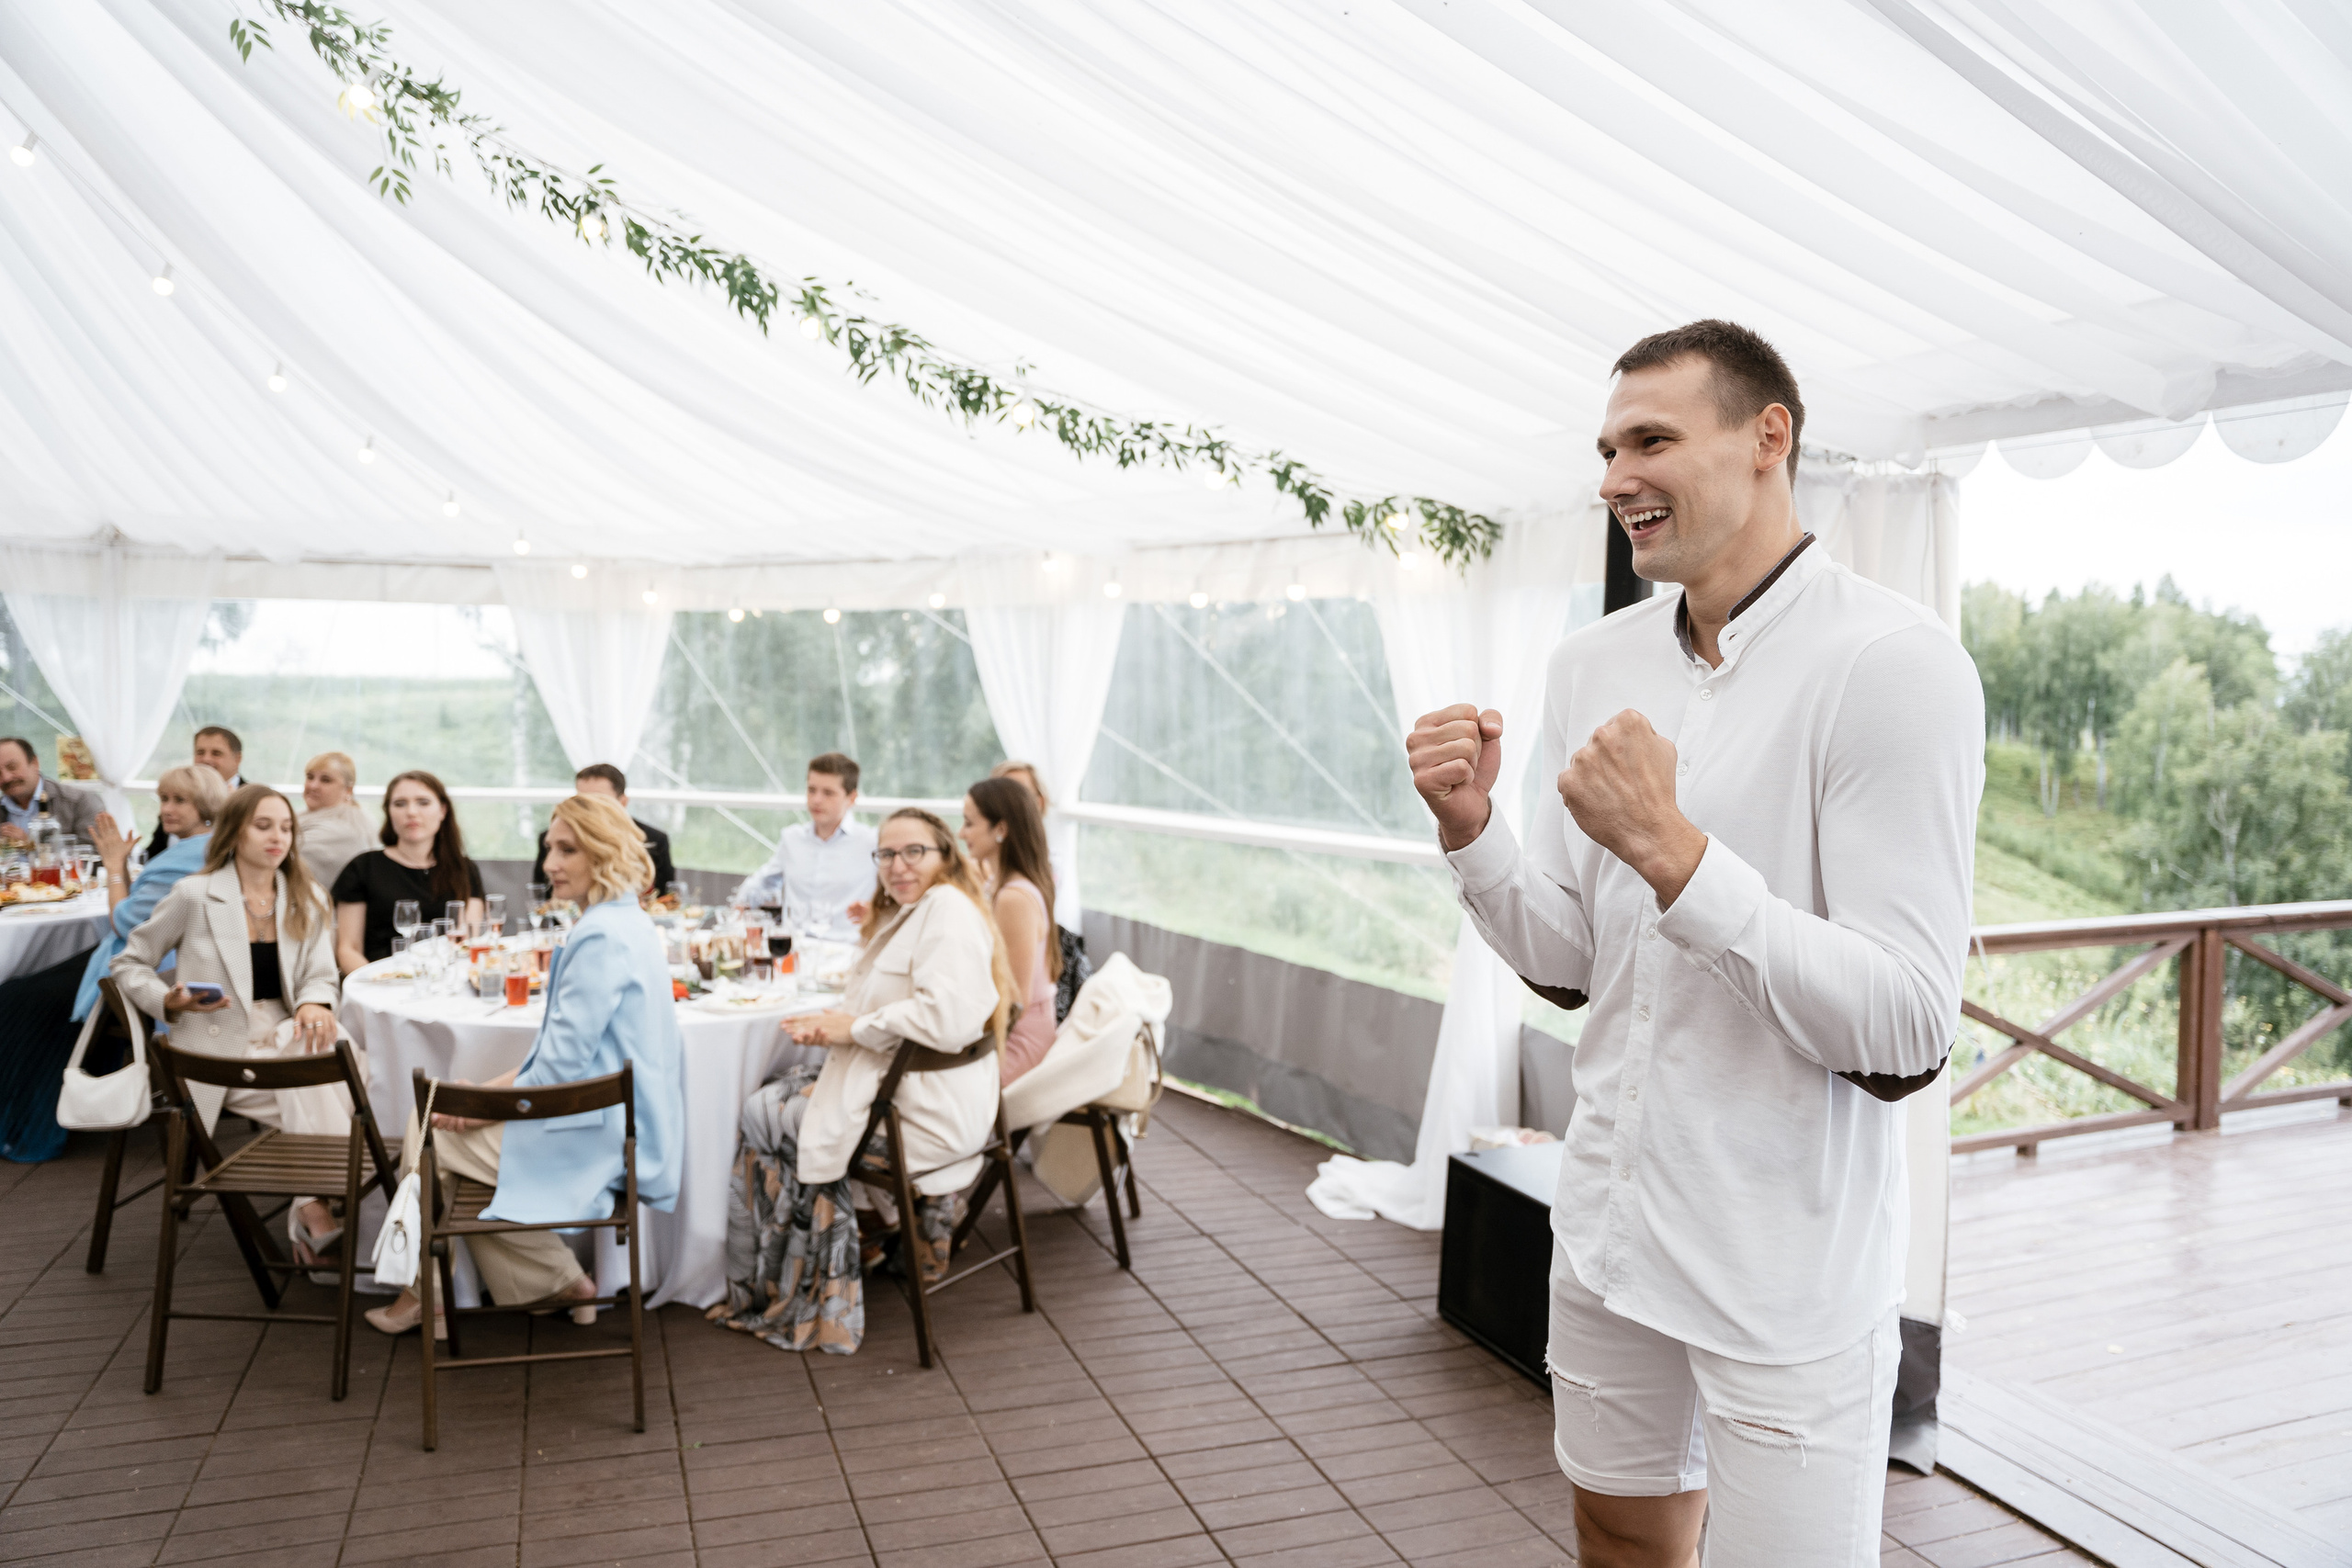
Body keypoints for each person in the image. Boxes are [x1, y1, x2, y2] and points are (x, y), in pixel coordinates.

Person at [1404, 321, 1982, 1566]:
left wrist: (1678, 853)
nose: (1614, 476)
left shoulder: (1893, 664)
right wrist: (1473, 835)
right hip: (1608, 1219)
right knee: (1616, 1530)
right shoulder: (1590, 661)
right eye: (1609, 447)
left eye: (1651, 439)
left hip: (1781, 1263)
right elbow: (1572, 960)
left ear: (1770, 437)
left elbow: (1907, 1028)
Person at [365, 792, 684, 1337]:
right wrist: (479, 1096)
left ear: (604, 854)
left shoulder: (602, 936)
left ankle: (429, 1296)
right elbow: (563, 1061)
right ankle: (555, 1282)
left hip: (605, 1137)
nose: (551, 864)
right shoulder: (625, 921)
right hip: (624, 1121)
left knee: (428, 1136)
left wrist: (479, 1106)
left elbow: (558, 1071)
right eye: (549, 849)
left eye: (568, 850)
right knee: (442, 1123)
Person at [713, 809, 1013, 1351]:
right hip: (946, 1107)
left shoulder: (947, 913)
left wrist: (852, 1028)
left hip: (922, 1123)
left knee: (761, 1111)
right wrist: (846, 1022)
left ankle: (803, 1289)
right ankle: (834, 1259)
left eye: (913, 852)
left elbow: (944, 1020)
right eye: (887, 855)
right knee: (784, 1086)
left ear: (945, 854)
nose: (897, 866)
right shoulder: (927, 907)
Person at [111, 784, 357, 1264]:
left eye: (286, 827)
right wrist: (169, 999)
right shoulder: (194, 895)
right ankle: (340, 1203)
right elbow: (128, 964)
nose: (278, 837)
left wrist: (315, 1002)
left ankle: (311, 1213)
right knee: (349, 1085)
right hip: (216, 1050)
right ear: (233, 833)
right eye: (263, 826)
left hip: (285, 1036)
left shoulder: (309, 897)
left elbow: (322, 975)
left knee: (323, 1053)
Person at [0, 765, 224, 1164]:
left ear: (205, 805)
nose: (167, 809)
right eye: (164, 799)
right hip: (175, 964)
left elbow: (124, 920)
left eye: (179, 800)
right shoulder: (210, 848)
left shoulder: (182, 859)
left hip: (145, 973)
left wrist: (115, 865)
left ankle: (25, 1125)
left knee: (18, 997)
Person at [331, 770, 485, 973]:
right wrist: (379, 985)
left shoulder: (464, 869)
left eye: (423, 802)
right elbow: (348, 949)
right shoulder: (363, 867)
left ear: (443, 810)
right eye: (400, 804)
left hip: (446, 980)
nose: (411, 812)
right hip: (380, 981)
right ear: (389, 812)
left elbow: (469, 942)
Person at [958, 776, 1059, 1085]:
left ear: (1000, 829)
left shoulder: (1014, 898)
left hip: (1017, 1041)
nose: (961, 833)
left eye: (969, 823)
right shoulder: (997, 883)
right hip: (1010, 1030)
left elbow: (1016, 1000)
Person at [729, 753, 876, 943]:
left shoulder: (871, 842)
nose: (816, 800)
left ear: (852, 797)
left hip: (846, 950)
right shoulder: (792, 838)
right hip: (794, 948)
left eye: (828, 793)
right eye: (811, 790)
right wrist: (737, 910)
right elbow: (763, 883)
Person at [528, 763, 673, 896]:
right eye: (581, 801)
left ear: (623, 802)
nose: (587, 810)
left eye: (600, 801)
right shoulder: (552, 838)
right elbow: (542, 898)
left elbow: (665, 898)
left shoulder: (654, 840)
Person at [143, 726, 243, 862]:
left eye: (216, 753)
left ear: (237, 759)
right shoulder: (175, 793)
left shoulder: (254, 799)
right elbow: (154, 854)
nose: (206, 759)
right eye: (200, 752)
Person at [0, 736, 104, 845]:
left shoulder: (79, 802)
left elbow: (95, 856)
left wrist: (29, 845)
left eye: (12, 767)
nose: (6, 777)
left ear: (35, 763)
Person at [295, 751, 374, 891]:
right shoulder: (302, 816)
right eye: (310, 777)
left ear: (348, 789)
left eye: (325, 780)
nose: (313, 786)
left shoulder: (346, 829)